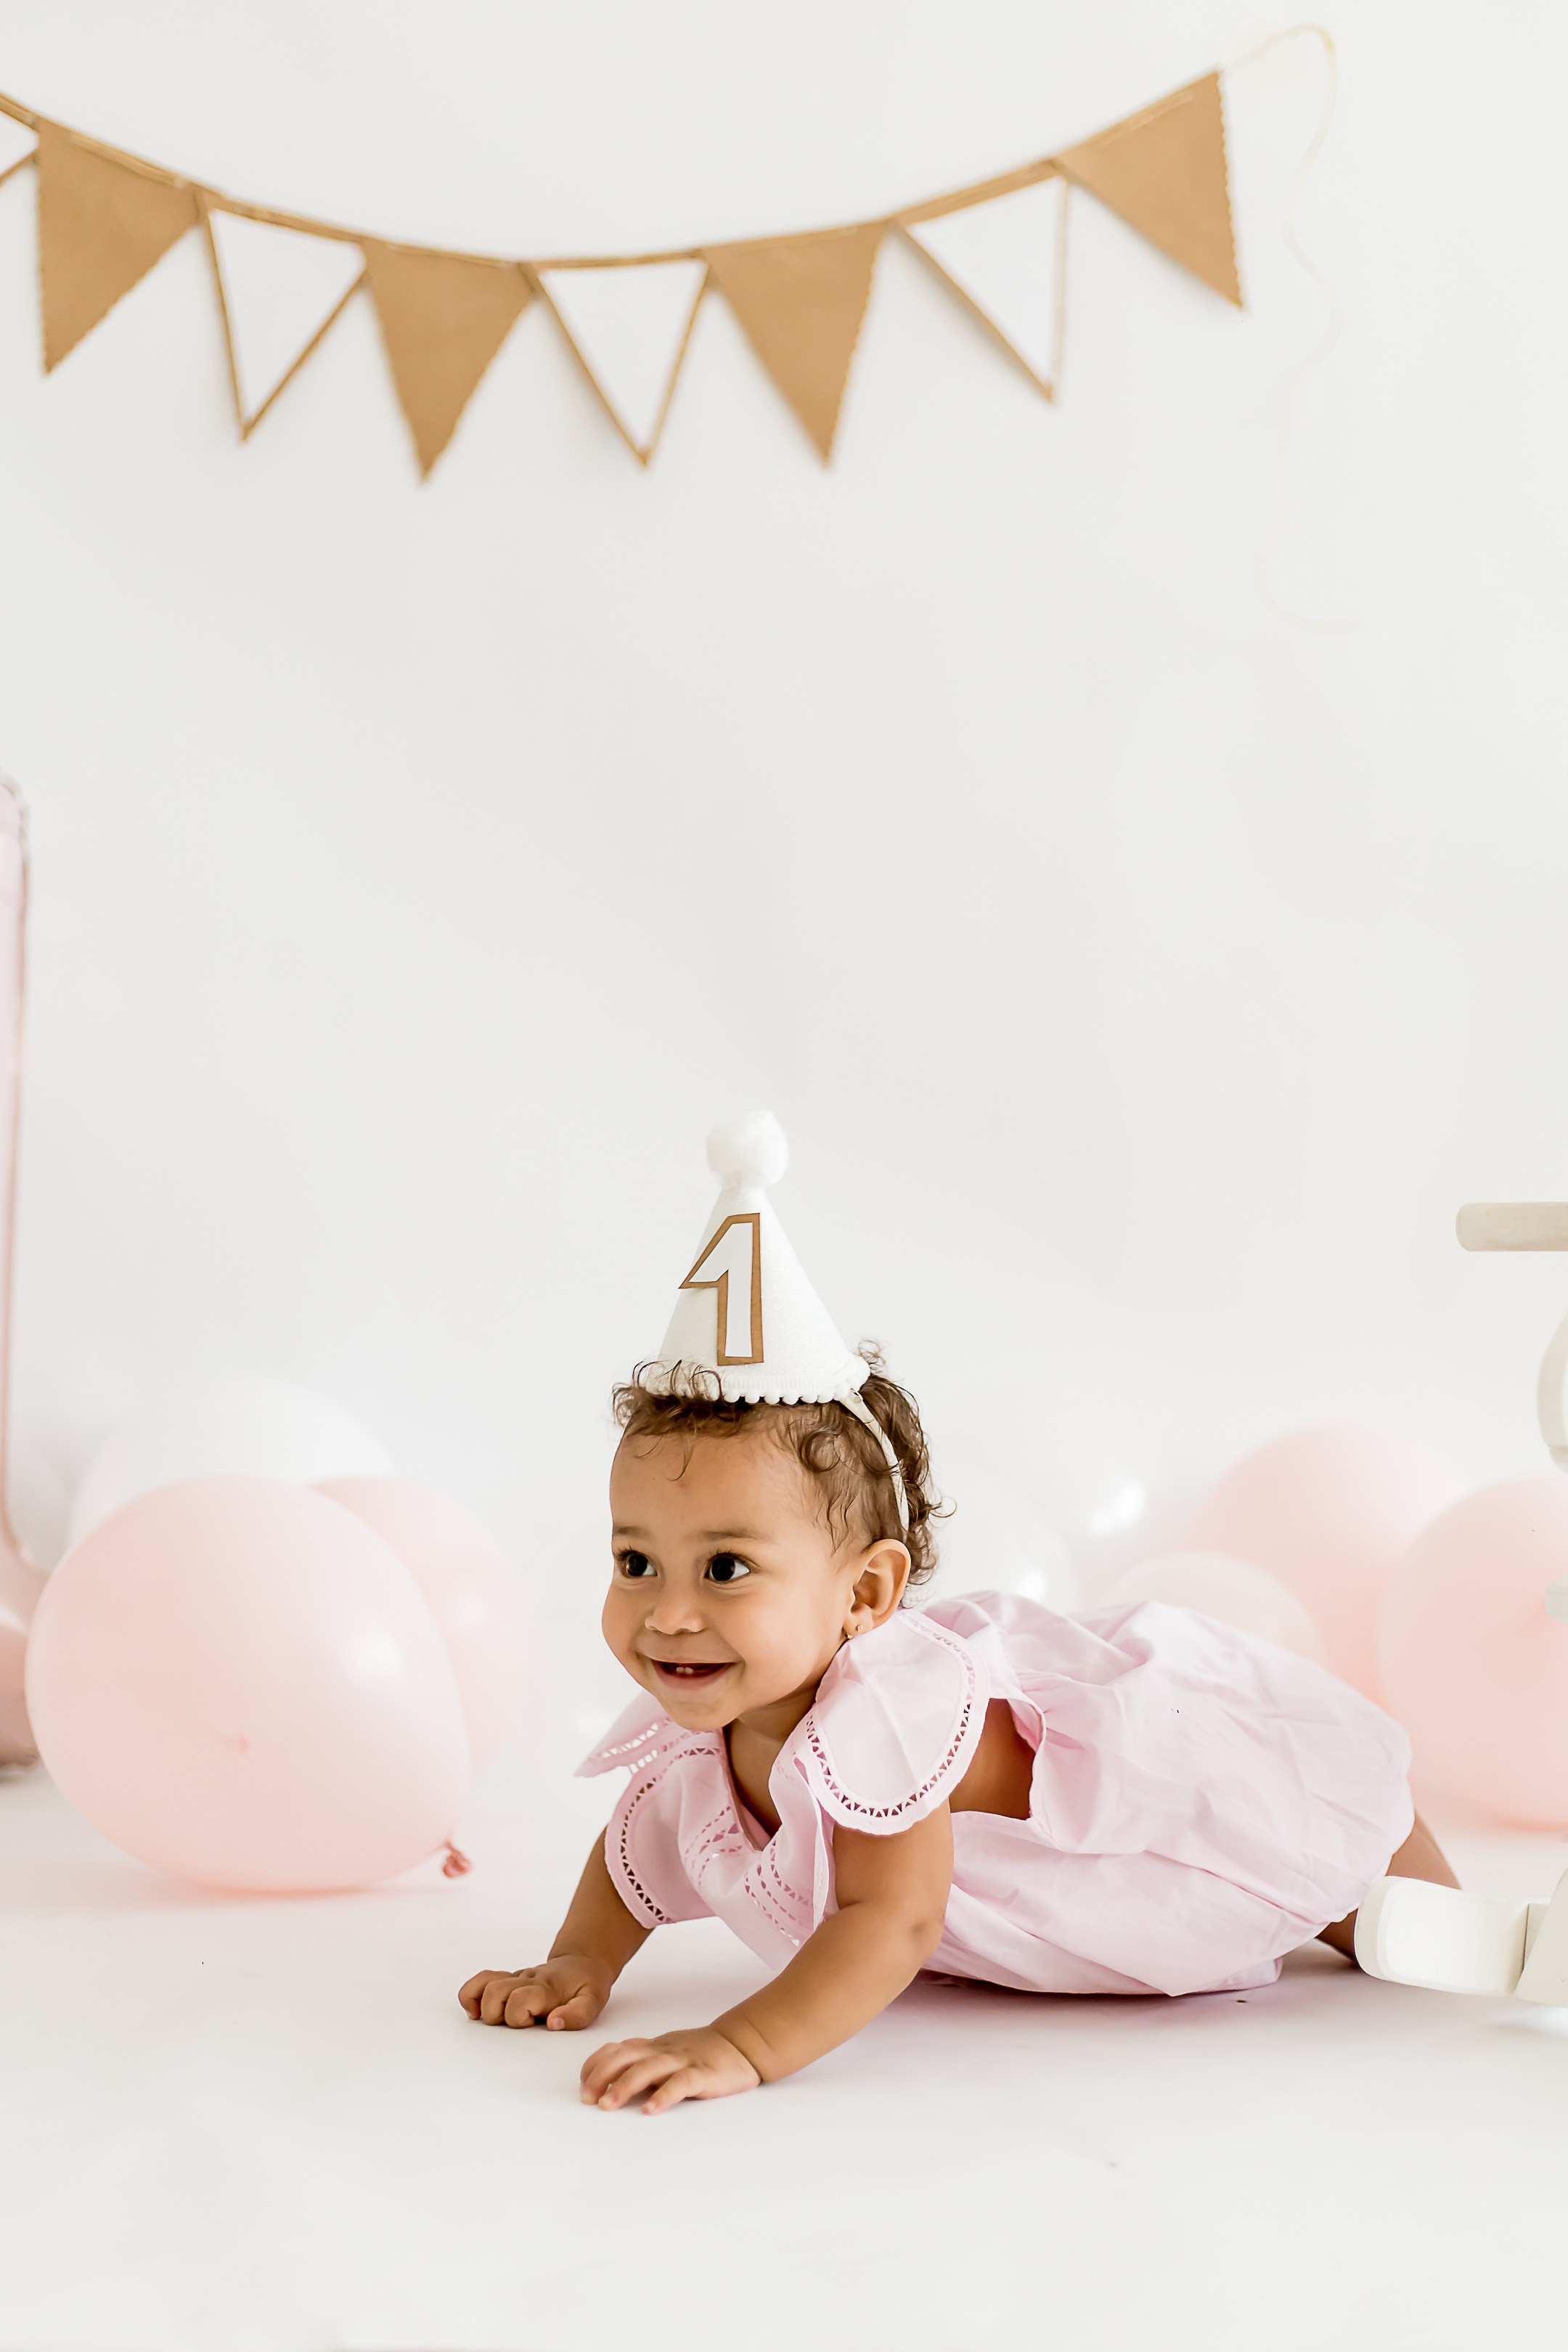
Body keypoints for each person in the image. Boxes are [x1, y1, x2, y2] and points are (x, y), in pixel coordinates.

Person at [460, 1115, 1458, 2114]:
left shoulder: (884, 1722)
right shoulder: (716, 1724)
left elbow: (888, 1922)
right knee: (1343, 1911)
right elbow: (636, 1856)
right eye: (636, 1561)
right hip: (1073, 1892)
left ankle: (1466, 1922)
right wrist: (576, 1964)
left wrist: (742, 2044)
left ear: (864, 1595)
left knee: (1349, 1883)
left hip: (1166, 1798)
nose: (668, 1612)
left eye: (725, 1567)